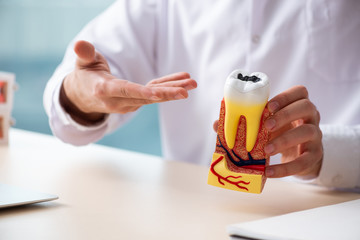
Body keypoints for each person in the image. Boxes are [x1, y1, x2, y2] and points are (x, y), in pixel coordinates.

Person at [44, 0, 360, 190]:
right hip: (196, 217)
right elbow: (77, 81)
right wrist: (82, 95)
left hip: (336, 213)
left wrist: (330, 152)